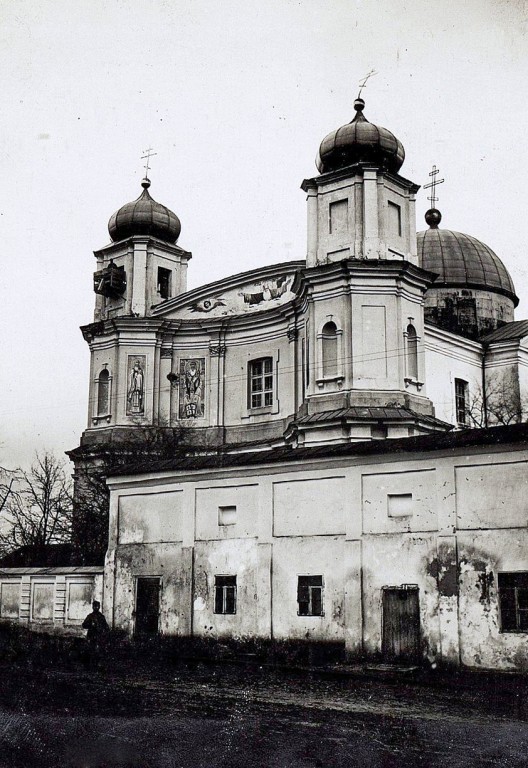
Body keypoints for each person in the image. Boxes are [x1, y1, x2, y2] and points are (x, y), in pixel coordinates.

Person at [82, 600, 109, 666]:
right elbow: (84, 625)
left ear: (99, 607)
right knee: (91, 651)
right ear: (92, 607)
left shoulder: (101, 617)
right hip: (91, 636)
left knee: (99, 651)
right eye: (95, 606)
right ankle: (91, 665)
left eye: (97, 606)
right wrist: (91, 624)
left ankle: (98, 665)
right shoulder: (90, 616)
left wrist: (103, 630)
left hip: (99, 637)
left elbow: (106, 627)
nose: (96, 608)